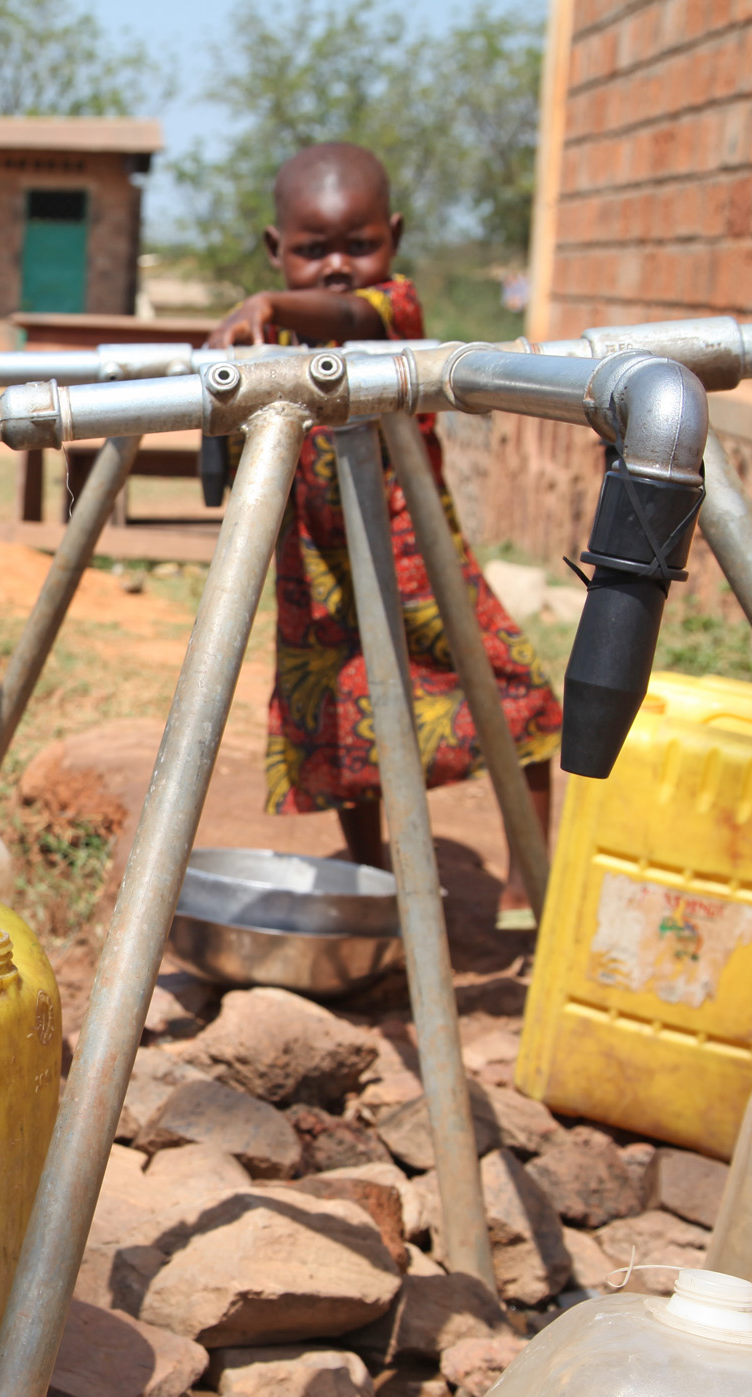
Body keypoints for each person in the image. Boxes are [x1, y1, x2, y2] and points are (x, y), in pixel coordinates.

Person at [207, 142, 561, 925]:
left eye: (358, 245)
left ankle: (528, 881)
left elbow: (346, 312)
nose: (338, 265)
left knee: (516, 694)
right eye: (312, 250)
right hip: (317, 565)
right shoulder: (265, 340)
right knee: (339, 719)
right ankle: (375, 887)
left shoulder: (391, 310)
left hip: (413, 552)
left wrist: (271, 303)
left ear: (392, 239)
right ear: (278, 246)